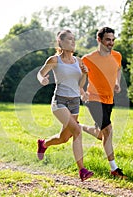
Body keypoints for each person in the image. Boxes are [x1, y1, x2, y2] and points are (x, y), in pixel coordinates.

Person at [36, 29, 93, 182]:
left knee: (64, 138)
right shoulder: (54, 60)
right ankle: (82, 170)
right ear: (60, 42)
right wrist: (43, 80)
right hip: (59, 101)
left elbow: (80, 85)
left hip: (75, 102)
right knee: (77, 131)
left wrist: (85, 75)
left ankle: (44, 144)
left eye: (74, 39)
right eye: (69, 39)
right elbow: (40, 73)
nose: (73, 42)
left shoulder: (79, 61)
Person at [80, 27, 127, 179]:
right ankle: (114, 168)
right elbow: (79, 78)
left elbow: (118, 70)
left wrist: (117, 83)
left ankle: (79, 127)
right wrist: (82, 92)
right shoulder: (87, 59)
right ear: (99, 40)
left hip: (109, 99)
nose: (111, 43)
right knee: (108, 131)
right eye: (108, 39)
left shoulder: (117, 56)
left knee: (101, 135)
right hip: (93, 99)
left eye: (113, 40)